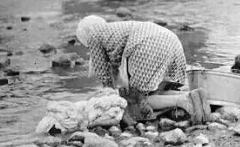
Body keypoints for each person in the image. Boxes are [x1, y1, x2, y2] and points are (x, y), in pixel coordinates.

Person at [75, 15, 210, 124]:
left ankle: (183, 100)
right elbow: (115, 70)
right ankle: (191, 96)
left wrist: (109, 99)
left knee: (138, 100)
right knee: (158, 91)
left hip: (148, 46)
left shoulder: (94, 36)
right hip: (172, 41)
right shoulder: (115, 30)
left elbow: (104, 75)